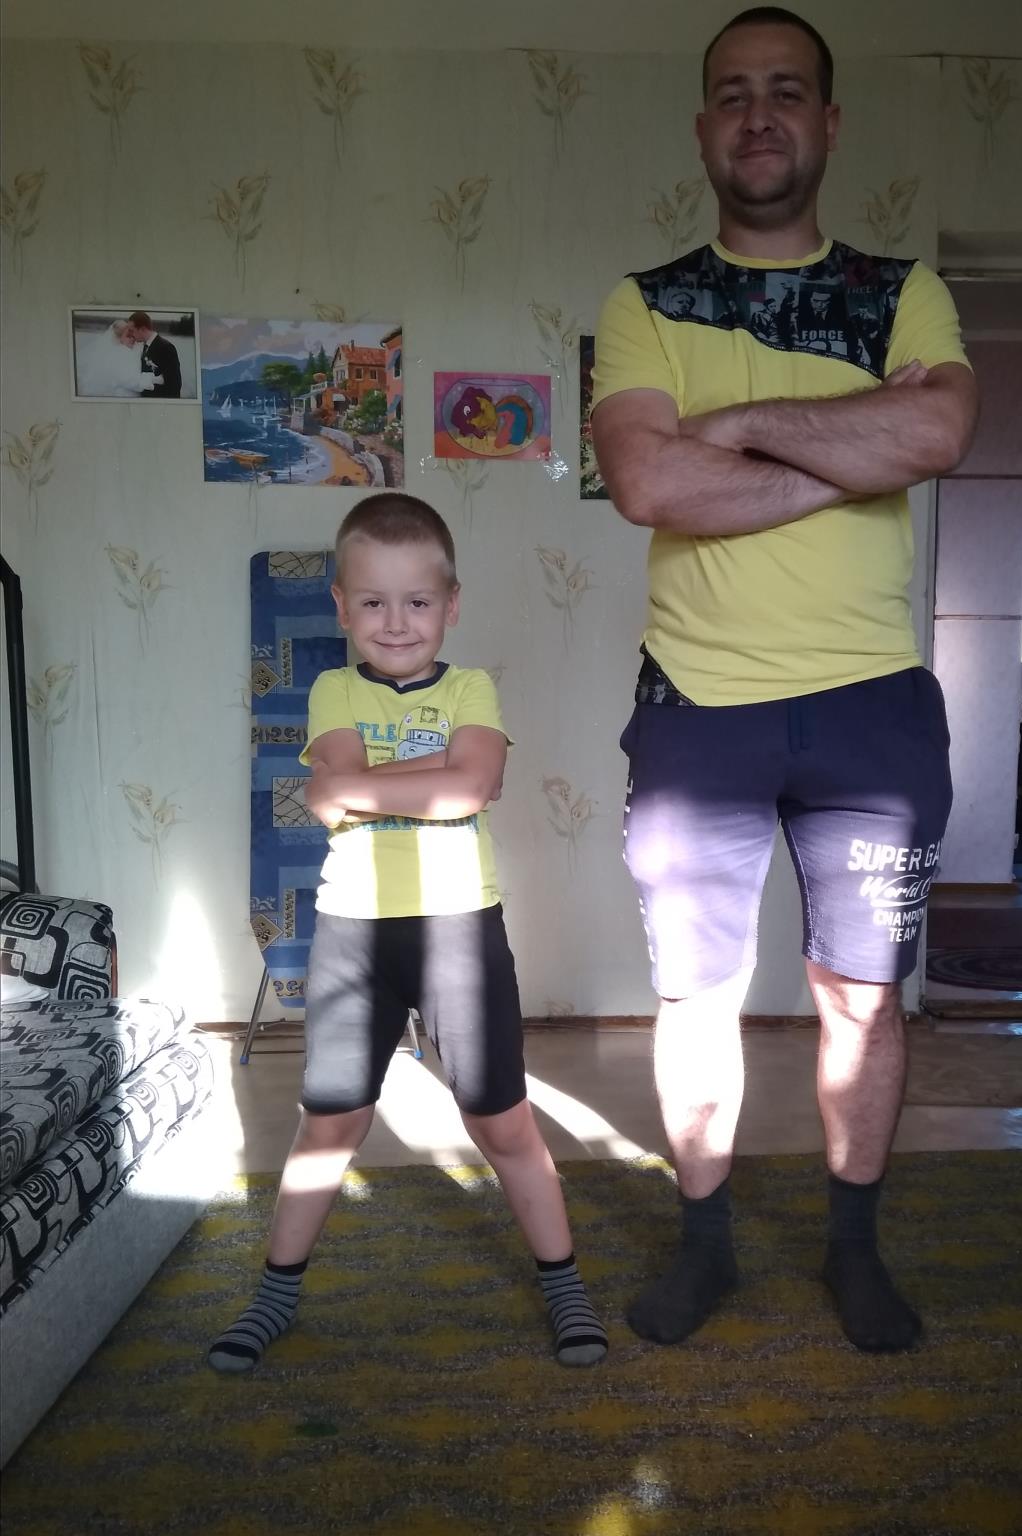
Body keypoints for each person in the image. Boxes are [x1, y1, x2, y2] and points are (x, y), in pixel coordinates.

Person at [591, 6, 978, 1353]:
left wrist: (744, 428)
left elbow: (940, 429)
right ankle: (703, 1248)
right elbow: (648, 480)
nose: (760, 114)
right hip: (696, 710)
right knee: (695, 998)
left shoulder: (902, 290)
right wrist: (857, 448)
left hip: (875, 710)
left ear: (828, 121)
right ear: (705, 128)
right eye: (734, 93)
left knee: (861, 997)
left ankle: (852, 1249)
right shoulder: (644, 303)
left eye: (787, 90)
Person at [208, 494, 607, 1372]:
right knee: (331, 1123)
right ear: (342, 608)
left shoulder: (471, 688)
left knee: (501, 1122)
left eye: (417, 601)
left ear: (451, 605)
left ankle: (564, 1284)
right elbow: (338, 797)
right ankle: (274, 1294)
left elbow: (459, 790)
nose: (396, 622)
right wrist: (439, 774)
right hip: (355, 935)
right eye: (374, 602)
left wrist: (383, 784)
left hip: (460, 930)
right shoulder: (333, 689)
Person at [74, 318, 145, 398]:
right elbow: (123, 376)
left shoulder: (112, 351)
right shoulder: (120, 353)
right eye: (128, 335)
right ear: (122, 336)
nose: (132, 339)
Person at [127, 310, 182, 398]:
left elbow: (174, 385)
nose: (131, 334)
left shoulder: (166, 347)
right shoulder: (144, 346)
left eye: (132, 330)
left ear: (142, 329)